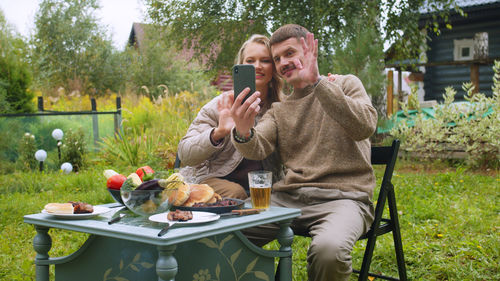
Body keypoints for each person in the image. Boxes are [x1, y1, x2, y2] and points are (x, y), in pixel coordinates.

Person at [228, 24, 378, 281]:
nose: (283, 62)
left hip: (343, 199)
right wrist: (243, 131)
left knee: (329, 252)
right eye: (277, 59)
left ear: (310, 50)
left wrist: (317, 83)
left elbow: (364, 126)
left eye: (289, 53)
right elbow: (257, 145)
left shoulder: (344, 84)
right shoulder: (280, 109)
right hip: (288, 201)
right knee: (228, 230)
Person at [177, 34, 284, 199]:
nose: (257, 66)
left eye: (265, 60)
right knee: (236, 193)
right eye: (250, 61)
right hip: (212, 180)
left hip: (261, 187)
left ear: (275, 67)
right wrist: (217, 133)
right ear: (240, 65)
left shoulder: (281, 108)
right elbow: (185, 154)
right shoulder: (221, 105)